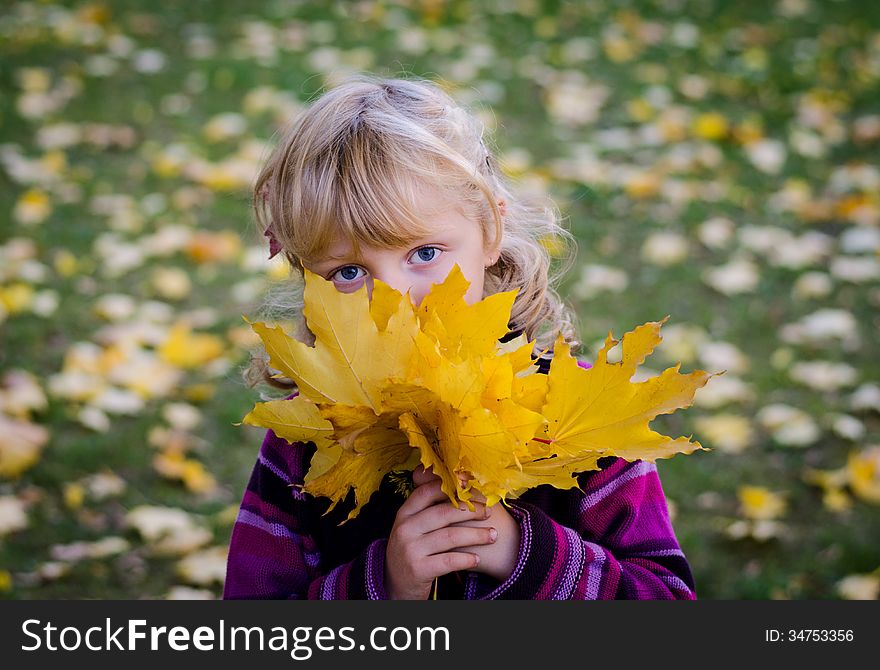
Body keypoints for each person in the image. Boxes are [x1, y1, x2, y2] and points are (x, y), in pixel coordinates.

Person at [223, 75, 696, 600]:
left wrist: (525, 552)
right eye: (348, 273)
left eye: (424, 254)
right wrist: (384, 584)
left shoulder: (582, 421)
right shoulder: (307, 436)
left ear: (491, 231)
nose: (394, 299)